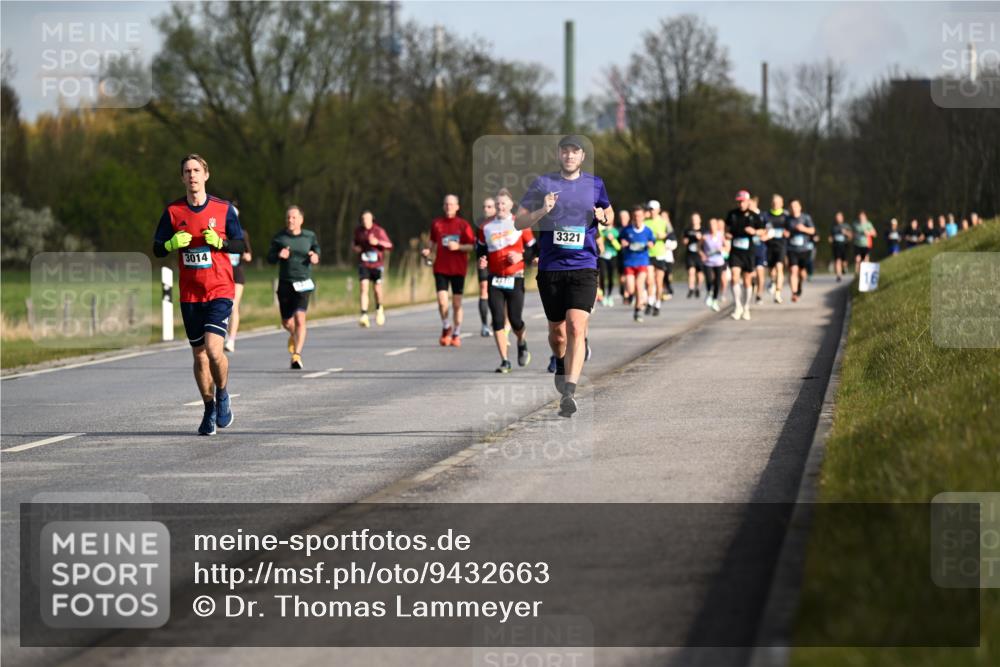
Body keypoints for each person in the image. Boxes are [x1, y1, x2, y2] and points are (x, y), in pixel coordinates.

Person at [515, 134, 613, 417]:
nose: (570, 156)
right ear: (558, 155)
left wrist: (603, 217)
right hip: (551, 268)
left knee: (575, 328)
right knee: (558, 335)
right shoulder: (542, 184)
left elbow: (609, 215)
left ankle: (569, 391)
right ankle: (560, 362)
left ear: (582, 156)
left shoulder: (595, 184)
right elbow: (519, 222)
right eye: (565, 151)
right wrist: (542, 210)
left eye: (575, 152)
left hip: (584, 265)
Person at [153, 153, 245, 435]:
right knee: (200, 356)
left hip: (219, 289)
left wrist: (221, 242)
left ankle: (223, 393)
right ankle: (208, 408)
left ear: (206, 175)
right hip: (190, 295)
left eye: (196, 170)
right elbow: (157, 248)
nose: (192, 175)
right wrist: (170, 244)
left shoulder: (223, 209)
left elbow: (240, 245)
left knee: (214, 350)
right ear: (182, 178)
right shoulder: (173, 212)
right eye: (187, 171)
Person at [477, 188, 536, 373]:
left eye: (503, 203)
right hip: (495, 278)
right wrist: (482, 260)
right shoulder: (485, 227)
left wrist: (521, 257)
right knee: (497, 320)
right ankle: (504, 360)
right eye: (497, 204)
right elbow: (481, 250)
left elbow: (533, 249)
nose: (500, 206)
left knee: (515, 320)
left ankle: (521, 340)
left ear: (511, 205)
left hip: (515, 277)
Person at [267, 205, 320, 369]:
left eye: (294, 217)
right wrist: (279, 255)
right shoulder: (280, 238)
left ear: (301, 220)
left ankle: (296, 355)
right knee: (286, 322)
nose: (290, 220)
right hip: (285, 283)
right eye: (288, 217)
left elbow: (316, 250)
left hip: (303, 283)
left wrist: (315, 256)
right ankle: (293, 334)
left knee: (300, 318)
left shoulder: (309, 236)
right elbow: (270, 259)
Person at [422, 194, 476, 347]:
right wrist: (427, 251)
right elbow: (432, 242)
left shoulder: (463, 225)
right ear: (443, 206)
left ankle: (456, 333)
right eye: (446, 204)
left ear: (457, 207)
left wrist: (458, 247)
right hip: (441, 267)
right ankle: (446, 326)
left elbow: (472, 246)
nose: (448, 207)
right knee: (442, 302)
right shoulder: (437, 223)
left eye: (451, 204)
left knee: (456, 304)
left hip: (458, 269)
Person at [724, 190, 762, 321]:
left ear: (748, 201)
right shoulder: (732, 214)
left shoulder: (754, 216)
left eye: (743, 201)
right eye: (739, 201)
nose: (741, 204)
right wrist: (727, 235)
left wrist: (754, 231)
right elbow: (726, 229)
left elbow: (763, 230)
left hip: (748, 252)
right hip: (735, 251)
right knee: (734, 277)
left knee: (747, 280)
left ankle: (746, 307)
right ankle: (738, 306)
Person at [353, 210, 393, 328]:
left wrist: (377, 242)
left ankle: (379, 309)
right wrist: (355, 248)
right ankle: (364, 315)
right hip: (364, 263)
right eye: (363, 219)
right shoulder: (358, 231)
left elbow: (389, 245)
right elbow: (354, 243)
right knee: (363, 287)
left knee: (377, 289)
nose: (365, 221)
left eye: (367, 219)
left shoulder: (379, 231)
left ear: (372, 220)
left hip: (377, 264)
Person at [224, 203, 252, 352]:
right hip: (222, 274)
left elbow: (249, 254)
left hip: (237, 274)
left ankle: (231, 340)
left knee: (233, 305)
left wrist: (246, 256)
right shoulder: (219, 233)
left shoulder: (242, 233)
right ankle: (222, 335)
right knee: (222, 306)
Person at [620, 204, 655, 322]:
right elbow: (621, 239)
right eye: (635, 216)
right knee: (630, 289)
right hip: (629, 262)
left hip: (642, 262)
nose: (637, 218)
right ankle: (635, 298)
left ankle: (638, 310)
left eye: (639, 216)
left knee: (639, 286)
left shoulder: (647, 231)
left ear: (643, 216)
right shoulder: (627, 230)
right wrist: (623, 242)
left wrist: (650, 244)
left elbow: (652, 241)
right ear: (632, 217)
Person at [644, 200, 674, 315]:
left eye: (653, 209)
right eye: (650, 209)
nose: (651, 211)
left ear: (658, 210)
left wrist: (665, 236)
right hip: (648, 254)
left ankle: (657, 304)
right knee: (649, 281)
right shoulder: (645, 222)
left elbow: (672, 236)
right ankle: (650, 302)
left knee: (659, 281)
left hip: (660, 254)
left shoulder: (664, 222)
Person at [760, 194, 789, 303]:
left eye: (777, 202)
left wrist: (788, 233)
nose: (775, 204)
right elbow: (761, 228)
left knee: (779, 267)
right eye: (773, 202)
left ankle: (778, 293)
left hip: (781, 245)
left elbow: (791, 228)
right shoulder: (765, 215)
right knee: (771, 271)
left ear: (782, 203)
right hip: (769, 246)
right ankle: (772, 281)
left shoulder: (786, 215)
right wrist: (764, 234)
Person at [786, 199, 815, 303]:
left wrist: (804, 229)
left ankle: (799, 286)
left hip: (804, 250)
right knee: (793, 270)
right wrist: (786, 234)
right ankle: (794, 293)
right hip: (791, 249)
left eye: (796, 206)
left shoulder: (806, 218)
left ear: (800, 207)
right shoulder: (787, 219)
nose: (794, 208)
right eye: (792, 207)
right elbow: (785, 231)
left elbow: (812, 231)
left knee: (802, 274)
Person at [477, 197, 497, 336]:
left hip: (498, 263)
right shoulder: (480, 224)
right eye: (484, 207)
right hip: (484, 261)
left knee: (498, 291)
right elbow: (479, 245)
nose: (486, 209)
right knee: (483, 289)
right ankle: (484, 325)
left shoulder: (502, 223)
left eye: (489, 207)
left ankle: (497, 320)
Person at [700, 216, 727, 312]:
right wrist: (702, 254)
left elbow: (726, 246)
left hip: (719, 261)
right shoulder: (705, 236)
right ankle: (709, 293)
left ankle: (715, 300)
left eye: (713, 224)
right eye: (710, 225)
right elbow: (698, 247)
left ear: (716, 225)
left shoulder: (720, 235)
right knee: (709, 279)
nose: (712, 226)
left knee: (717, 281)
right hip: (708, 261)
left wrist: (723, 249)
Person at [598, 216, 621, 306]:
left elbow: (618, 247)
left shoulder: (615, 232)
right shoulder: (601, 232)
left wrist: (613, 240)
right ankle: (603, 295)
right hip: (603, 256)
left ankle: (610, 295)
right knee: (603, 276)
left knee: (611, 276)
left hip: (612, 256)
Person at [684, 213, 705, 299]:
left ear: (700, 220)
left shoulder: (703, 230)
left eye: (696, 219)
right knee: (691, 271)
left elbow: (706, 241)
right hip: (690, 254)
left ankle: (698, 288)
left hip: (700, 254)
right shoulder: (688, 230)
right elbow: (684, 240)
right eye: (693, 219)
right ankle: (691, 288)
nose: (694, 221)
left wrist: (701, 238)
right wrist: (685, 241)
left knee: (700, 273)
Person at [829, 211, 852, 281]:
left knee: (844, 261)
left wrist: (845, 233)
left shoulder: (846, 226)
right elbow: (831, 236)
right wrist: (830, 240)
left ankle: (844, 268)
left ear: (842, 218)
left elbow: (851, 236)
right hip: (836, 246)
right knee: (837, 260)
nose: (838, 218)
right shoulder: (833, 226)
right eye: (837, 217)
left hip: (844, 245)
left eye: (839, 217)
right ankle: (838, 276)